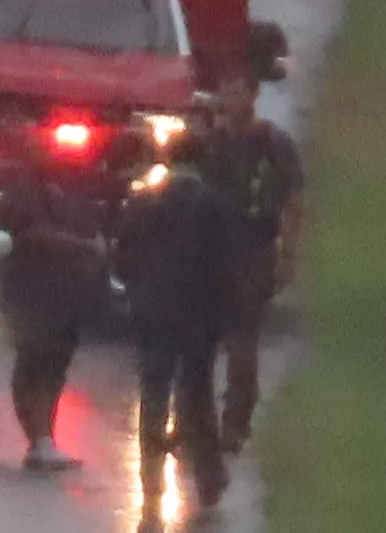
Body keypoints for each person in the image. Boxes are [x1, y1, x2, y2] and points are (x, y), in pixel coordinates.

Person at [114, 115, 250, 484]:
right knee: (196, 392)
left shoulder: (142, 201)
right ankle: (207, 477)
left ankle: (150, 477)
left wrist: (137, 290)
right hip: (197, 316)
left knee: (153, 390)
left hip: (151, 311)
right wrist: (231, 315)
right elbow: (225, 265)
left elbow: (123, 256)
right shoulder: (214, 206)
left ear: (168, 161)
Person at [0, 148, 116, 471]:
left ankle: (45, 439)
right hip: (31, 293)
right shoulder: (24, 190)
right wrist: (83, 246)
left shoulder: (76, 189)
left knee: (55, 366)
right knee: (33, 363)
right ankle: (39, 439)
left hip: (68, 296)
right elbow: (31, 235)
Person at [218, 108, 306, 453]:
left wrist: (288, 253)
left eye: (239, 89)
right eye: (227, 89)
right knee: (202, 338)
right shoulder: (213, 142)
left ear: (251, 95)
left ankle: (235, 423)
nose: (231, 99)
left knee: (242, 338)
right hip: (212, 248)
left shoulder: (274, 145)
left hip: (255, 248)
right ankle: (195, 424)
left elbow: (294, 199)